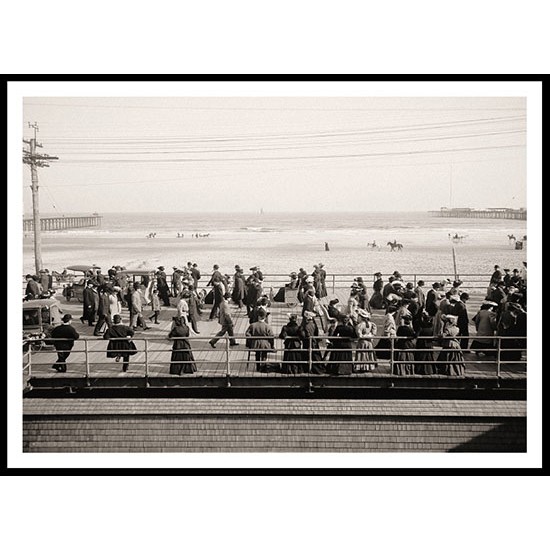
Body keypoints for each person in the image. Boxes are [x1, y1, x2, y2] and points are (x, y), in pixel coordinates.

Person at [415, 310, 436, 375]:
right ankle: (430, 370)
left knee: (421, 357)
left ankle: (419, 370)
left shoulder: (421, 327)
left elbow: (416, 335)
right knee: (429, 357)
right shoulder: (431, 327)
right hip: (429, 344)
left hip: (421, 344)